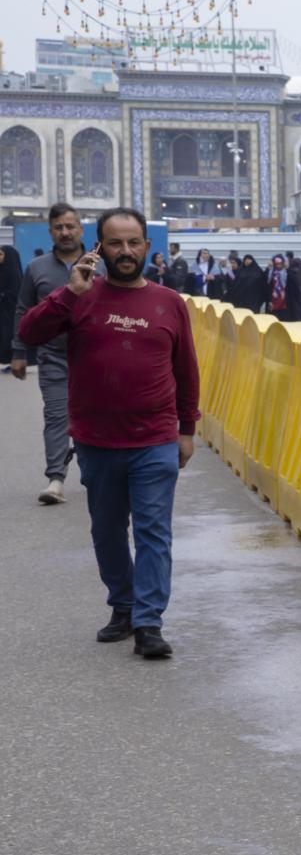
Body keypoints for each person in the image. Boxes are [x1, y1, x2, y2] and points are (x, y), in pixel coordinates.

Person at [16, 207, 200, 660]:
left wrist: (187, 429)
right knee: (108, 531)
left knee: (154, 532)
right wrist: (69, 293)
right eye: (115, 243)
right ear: (99, 248)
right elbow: (28, 331)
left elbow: (186, 370)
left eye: (133, 242)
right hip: (97, 441)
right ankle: (124, 605)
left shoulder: (169, 302)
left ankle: (149, 622)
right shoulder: (79, 295)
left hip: (154, 439)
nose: (125, 251)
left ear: (147, 247)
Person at [10, 202, 86, 504]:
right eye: (59, 227)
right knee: (56, 416)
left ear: (80, 229)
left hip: (95, 359)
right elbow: (23, 309)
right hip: (53, 356)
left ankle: (95, 473)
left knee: (94, 418)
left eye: (70, 226)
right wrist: (19, 351)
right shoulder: (36, 268)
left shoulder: (101, 265)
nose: (65, 232)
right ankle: (56, 479)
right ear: (51, 232)